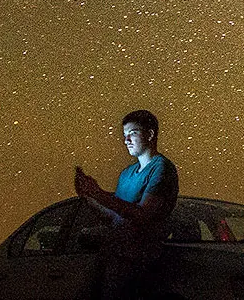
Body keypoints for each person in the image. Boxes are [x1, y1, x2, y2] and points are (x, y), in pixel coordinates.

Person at [74, 109, 179, 300]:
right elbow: (115, 216)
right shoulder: (126, 174)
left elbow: (143, 215)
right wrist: (88, 197)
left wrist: (98, 193)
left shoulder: (161, 169)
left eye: (133, 133)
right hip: (115, 259)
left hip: (139, 264)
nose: (126, 140)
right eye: (124, 135)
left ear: (150, 134)